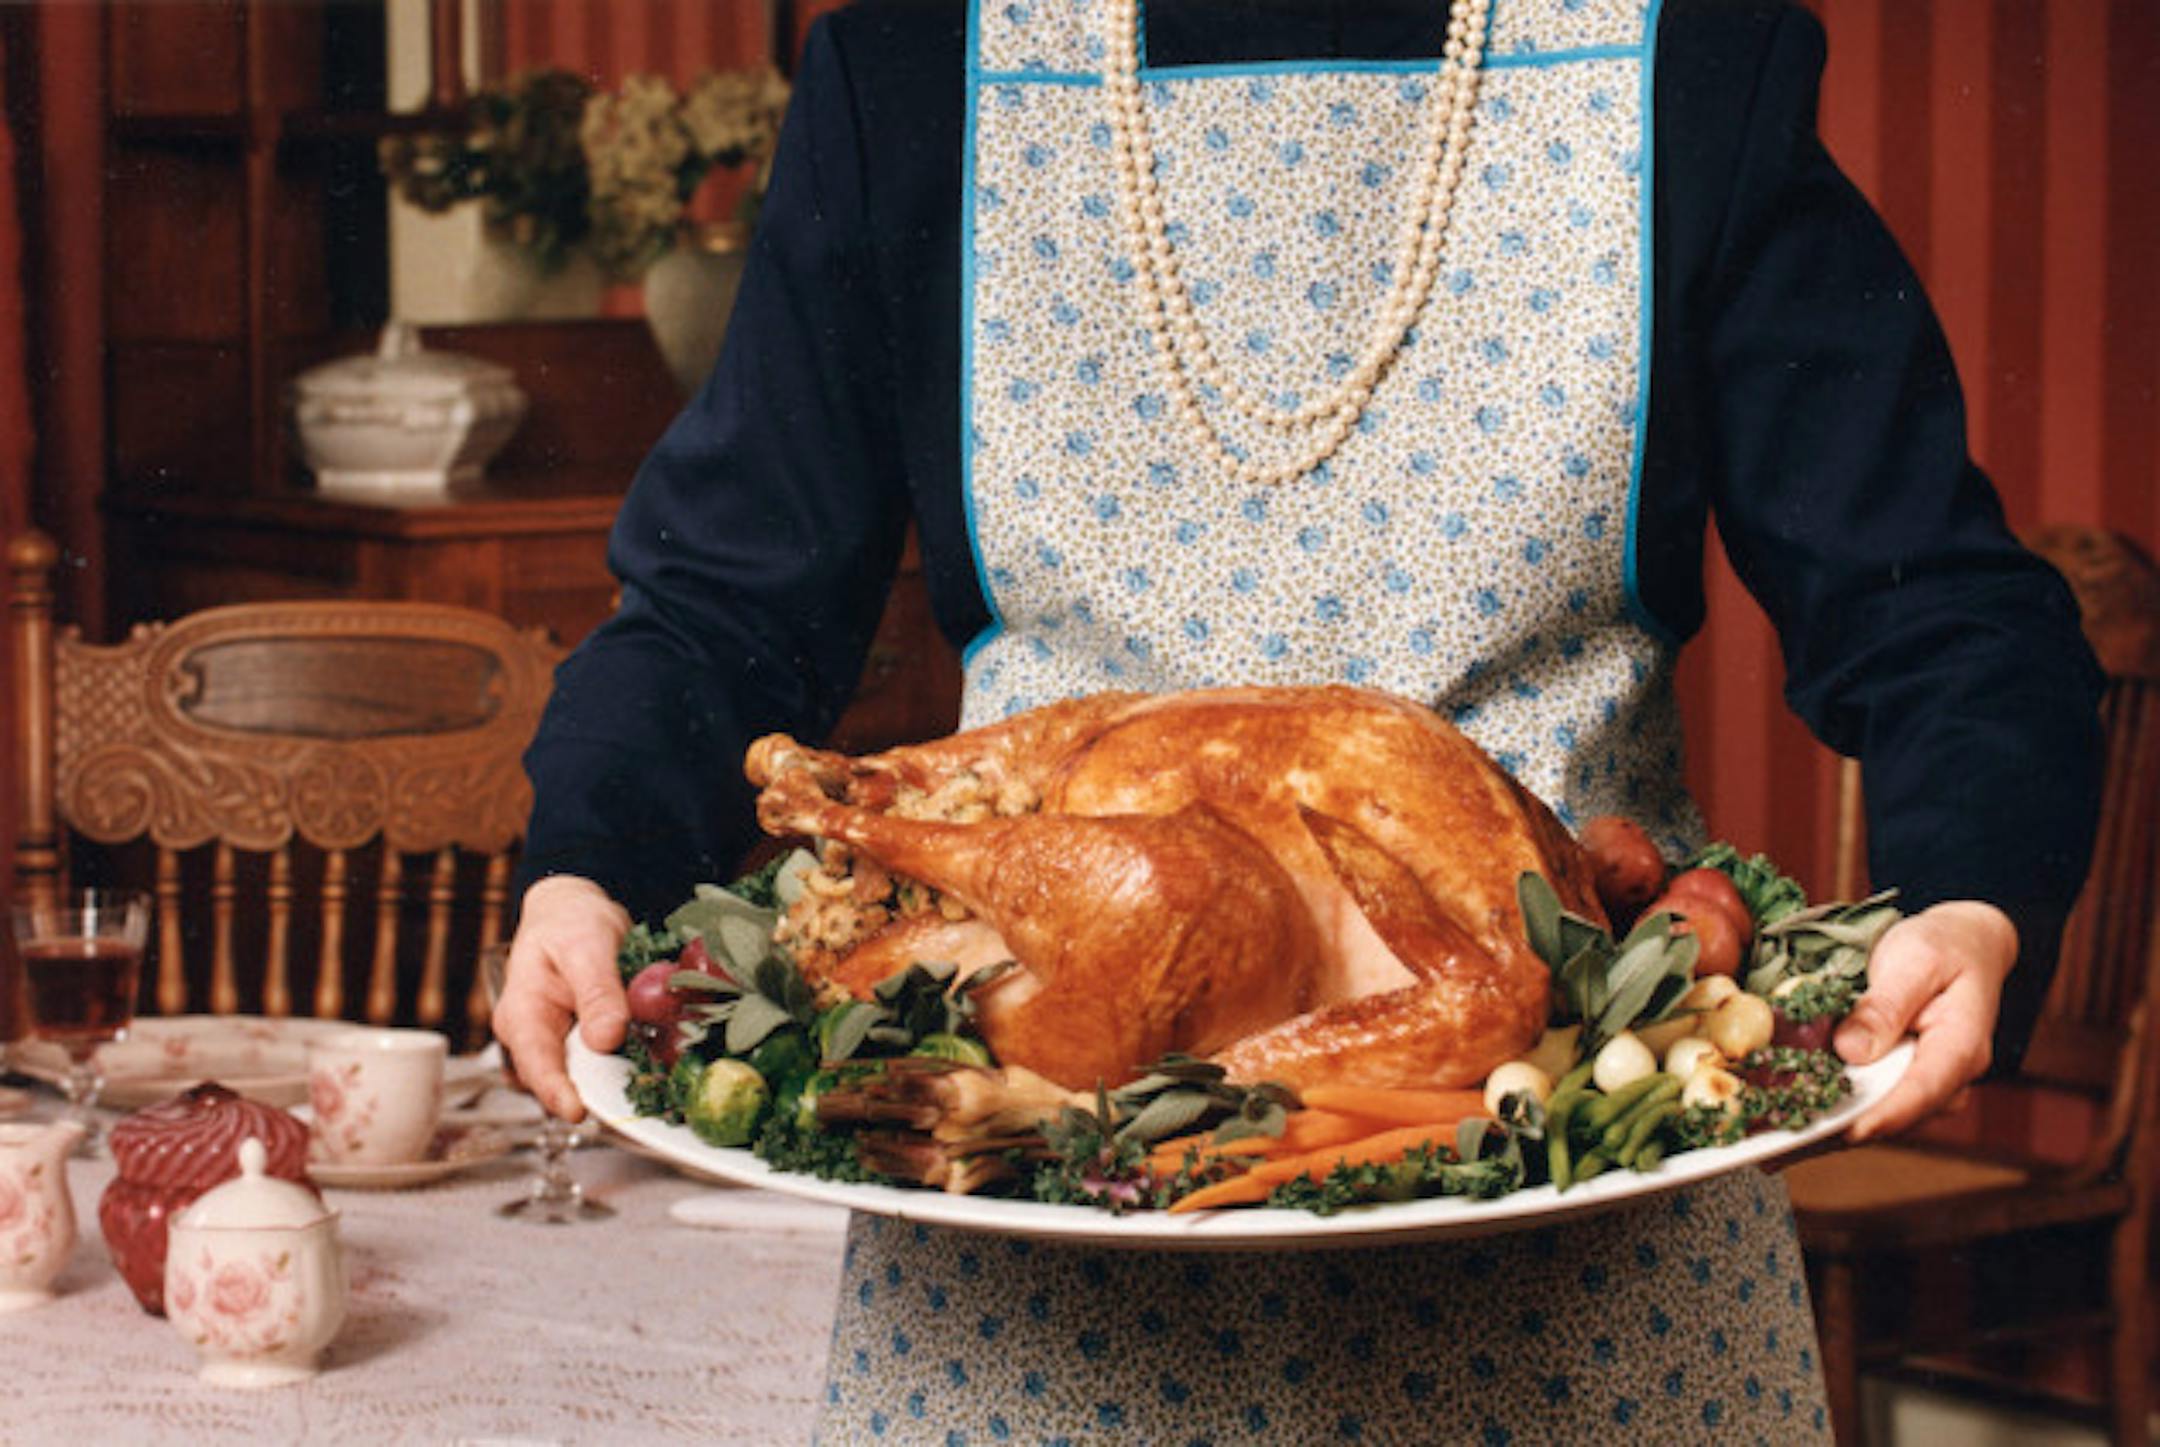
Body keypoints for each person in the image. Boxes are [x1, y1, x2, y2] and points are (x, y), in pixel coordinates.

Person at [494, 0, 2104, 1438]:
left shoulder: (1679, 61)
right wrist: (587, 862)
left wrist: (1975, 894)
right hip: (1036, 1287)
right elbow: (721, 608)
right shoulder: (915, 76)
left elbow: (1935, 605)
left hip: (1579, 1240)